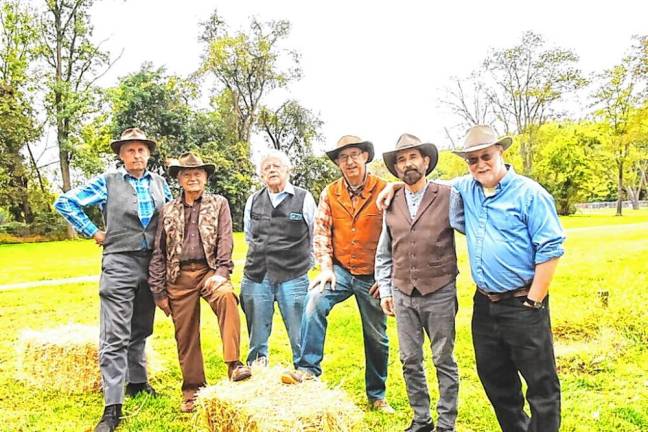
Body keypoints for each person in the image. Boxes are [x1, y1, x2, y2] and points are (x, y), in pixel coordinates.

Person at [378, 125, 565, 432]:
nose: (480, 164)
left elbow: (551, 247)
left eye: (486, 156)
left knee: (540, 381)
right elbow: (423, 186)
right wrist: (393, 186)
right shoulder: (467, 188)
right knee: (496, 379)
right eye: (472, 160)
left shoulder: (529, 194)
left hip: (524, 300)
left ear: (500, 153)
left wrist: (534, 299)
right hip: (485, 303)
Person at [54, 128, 172, 432]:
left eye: (141, 150)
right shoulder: (108, 182)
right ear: (120, 155)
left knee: (141, 327)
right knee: (115, 335)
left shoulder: (160, 183)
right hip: (119, 262)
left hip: (151, 265)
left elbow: (172, 217)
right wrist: (93, 230)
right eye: (129, 150)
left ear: (148, 153)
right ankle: (112, 407)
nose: (136, 155)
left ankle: (138, 382)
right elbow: (65, 202)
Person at [281, 135, 394, 414]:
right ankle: (308, 369)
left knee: (376, 336)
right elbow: (320, 232)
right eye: (344, 157)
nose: (350, 161)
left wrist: (386, 277)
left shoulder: (384, 189)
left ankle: (376, 395)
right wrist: (326, 268)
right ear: (338, 163)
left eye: (355, 154)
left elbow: (398, 236)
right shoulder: (330, 193)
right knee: (314, 301)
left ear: (366, 157)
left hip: (373, 276)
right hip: (340, 271)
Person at [148, 152, 251, 414]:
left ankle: (234, 364)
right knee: (185, 335)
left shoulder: (219, 204)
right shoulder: (167, 210)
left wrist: (221, 272)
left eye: (197, 173)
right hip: (178, 276)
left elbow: (225, 240)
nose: (192, 177)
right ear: (179, 179)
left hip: (209, 271)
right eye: (186, 174)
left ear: (205, 177)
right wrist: (159, 291)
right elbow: (158, 251)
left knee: (226, 297)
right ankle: (192, 390)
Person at [375, 134, 461, 432]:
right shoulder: (390, 201)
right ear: (396, 168)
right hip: (402, 292)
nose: (407, 163)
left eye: (413, 157)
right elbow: (384, 252)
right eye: (401, 159)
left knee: (443, 359)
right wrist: (386, 289)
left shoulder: (448, 196)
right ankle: (421, 420)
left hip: (439, 290)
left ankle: (446, 423)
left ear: (426, 161)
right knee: (410, 360)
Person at [240, 149, 316, 367]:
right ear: (261, 175)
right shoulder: (253, 200)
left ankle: (303, 371)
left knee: (299, 331)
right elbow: (248, 235)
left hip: (293, 275)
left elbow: (315, 234)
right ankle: (257, 371)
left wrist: (305, 266)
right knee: (256, 333)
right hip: (257, 275)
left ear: (287, 170)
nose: (271, 170)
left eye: (276, 166)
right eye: (266, 167)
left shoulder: (304, 198)